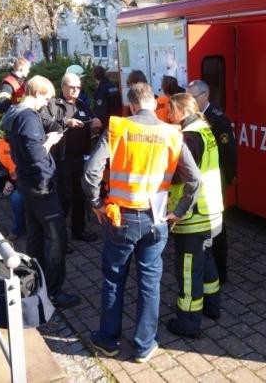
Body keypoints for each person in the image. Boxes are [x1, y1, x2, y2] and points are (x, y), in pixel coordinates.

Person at [82, 83, 201, 363]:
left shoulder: (119, 128)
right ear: (152, 103)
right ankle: (144, 345)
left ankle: (109, 341)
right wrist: (180, 210)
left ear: (132, 104)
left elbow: (90, 172)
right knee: (149, 282)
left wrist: (96, 203)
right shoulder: (172, 133)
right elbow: (194, 179)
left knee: (114, 279)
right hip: (156, 220)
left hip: (122, 218)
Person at [1, 75, 80, 308]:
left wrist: (42, 140)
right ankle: (54, 291)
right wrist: (50, 142)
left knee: (35, 234)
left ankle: (34, 281)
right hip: (41, 185)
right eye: (46, 98)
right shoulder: (28, 117)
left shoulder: (13, 114)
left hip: (27, 182)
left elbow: (24, 148)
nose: (47, 103)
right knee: (56, 237)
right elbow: (37, 156)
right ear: (36, 93)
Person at [166, 93, 223, 339]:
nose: (168, 116)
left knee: (188, 270)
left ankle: (189, 321)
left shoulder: (188, 137)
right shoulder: (205, 130)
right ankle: (213, 307)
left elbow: (183, 175)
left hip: (193, 216)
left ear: (180, 111)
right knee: (207, 262)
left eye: (170, 111)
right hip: (212, 213)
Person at [40, 72, 102, 244]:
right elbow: (43, 122)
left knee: (79, 196)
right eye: (71, 87)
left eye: (78, 87)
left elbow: (92, 121)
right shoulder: (53, 104)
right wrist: (65, 122)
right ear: (63, 87)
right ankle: (60, 238)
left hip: (80, 157)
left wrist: (97, 123)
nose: (75, 90)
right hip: (61, 159)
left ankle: (79, 230)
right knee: (64, 198)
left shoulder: (82, 105)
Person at [186, 80, 236, 284]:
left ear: (205, 95)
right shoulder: (192, 119)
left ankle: (221, 272)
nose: (190, 101)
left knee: (217, 227)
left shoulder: (218, 120)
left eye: (193, 97)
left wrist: (229, 179)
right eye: (188, 97)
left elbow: (229, 153)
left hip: (215, 181)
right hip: (200, 182)